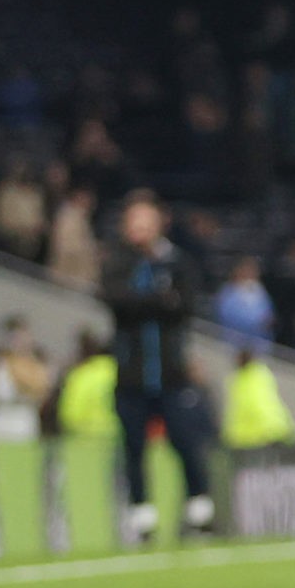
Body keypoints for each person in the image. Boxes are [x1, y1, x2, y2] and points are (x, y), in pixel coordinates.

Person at [100, 190, 216, 539]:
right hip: (131, 377)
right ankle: (141, 519)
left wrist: (149, 303)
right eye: (134, 224)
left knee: (185, 442)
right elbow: (118, 302)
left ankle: (200, 512)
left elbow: (185, 306)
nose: (140, 230)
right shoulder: (117, 262)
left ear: (158, 223)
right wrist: (158, 300)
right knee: (133, 448)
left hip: (172, 375)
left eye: (146, 223)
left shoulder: (177, 262)